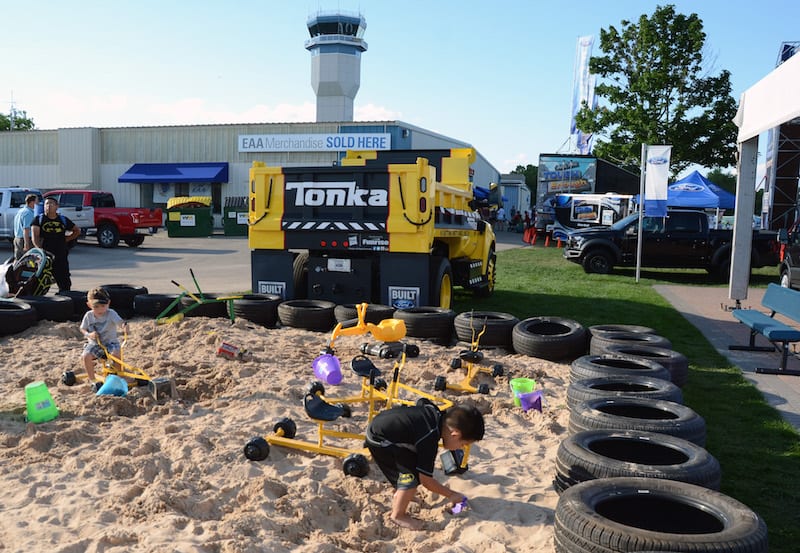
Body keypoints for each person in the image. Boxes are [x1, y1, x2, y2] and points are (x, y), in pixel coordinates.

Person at [365, 401, 485, 530]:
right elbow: (426, 481)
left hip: (381, 425)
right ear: (455, 434)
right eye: (463, 444)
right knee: (411, 478)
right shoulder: (429, 439)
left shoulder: (435, 412)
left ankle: (401, 493)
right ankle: (398, 515)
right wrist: (452, 495)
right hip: (380, 440)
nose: (461, 448)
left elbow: (422, 401)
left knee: (413, 465)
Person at [80, 287, 128, 386]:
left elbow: (120, 322)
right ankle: (93, 380)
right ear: (89, 305)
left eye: (103, 305)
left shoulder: (111, 313)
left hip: (110, 343)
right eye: (96, 306)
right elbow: (82, 329)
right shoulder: (88, 316)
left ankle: (119, 377)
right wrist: (89, 334)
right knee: (85, 356)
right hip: (95, 344)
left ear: (108, 303)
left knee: (116, 355)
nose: (100, 309)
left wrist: (124, 326)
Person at [31, 196, 79, 292]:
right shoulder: (38, 220)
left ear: (57, 206)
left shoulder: (63, 219)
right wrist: (39, 250)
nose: (48, 206)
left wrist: (67, 239)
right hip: (45, 256)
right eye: (46, 204)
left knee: (64, 279)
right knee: (39, 279)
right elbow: (35, 236)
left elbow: (77, 231)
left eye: (51, 204)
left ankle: (65, 296)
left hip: (61, 254)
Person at [12, 194, 38, 260]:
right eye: (36, 201)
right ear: (32, 202)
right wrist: (26, 244)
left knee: (18, 260)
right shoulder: (28, 213)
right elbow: (26, 229)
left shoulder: (20, 211)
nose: (38, 203)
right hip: (25, 240)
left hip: (17, 238)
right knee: (28, 261)